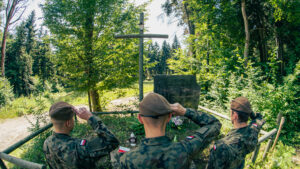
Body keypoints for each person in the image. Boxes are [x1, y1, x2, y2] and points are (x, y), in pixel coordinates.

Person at [116, 93, 221, 169]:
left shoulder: (127, 160)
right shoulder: (185, 149)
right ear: (169, 117)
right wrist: (185, 111)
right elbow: (214, 124)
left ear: (140, 119)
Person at [43, 101, 119, 169]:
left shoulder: (47, 143)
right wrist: (90, 118)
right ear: (68, 123)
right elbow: (112, 142)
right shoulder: (79, 147)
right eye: (72, 119)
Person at [206, 96, 265, 169]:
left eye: (231, 112)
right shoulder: (252, 132)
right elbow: (259, 119)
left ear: (235, 116)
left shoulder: (221, 146)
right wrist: (249, 113)